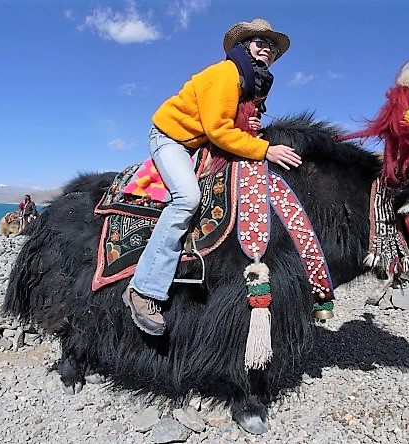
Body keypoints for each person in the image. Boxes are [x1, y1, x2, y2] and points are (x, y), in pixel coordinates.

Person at [123, 18, 302, 336]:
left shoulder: (251, 83)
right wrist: (265, 150)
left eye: (273, 46)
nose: (268, 50)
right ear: (245, 46)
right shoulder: (227, 74)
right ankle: (144, 289)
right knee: (187, 199)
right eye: (261, 42)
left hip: (195, 141)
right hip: (171, 139)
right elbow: (219, 130)